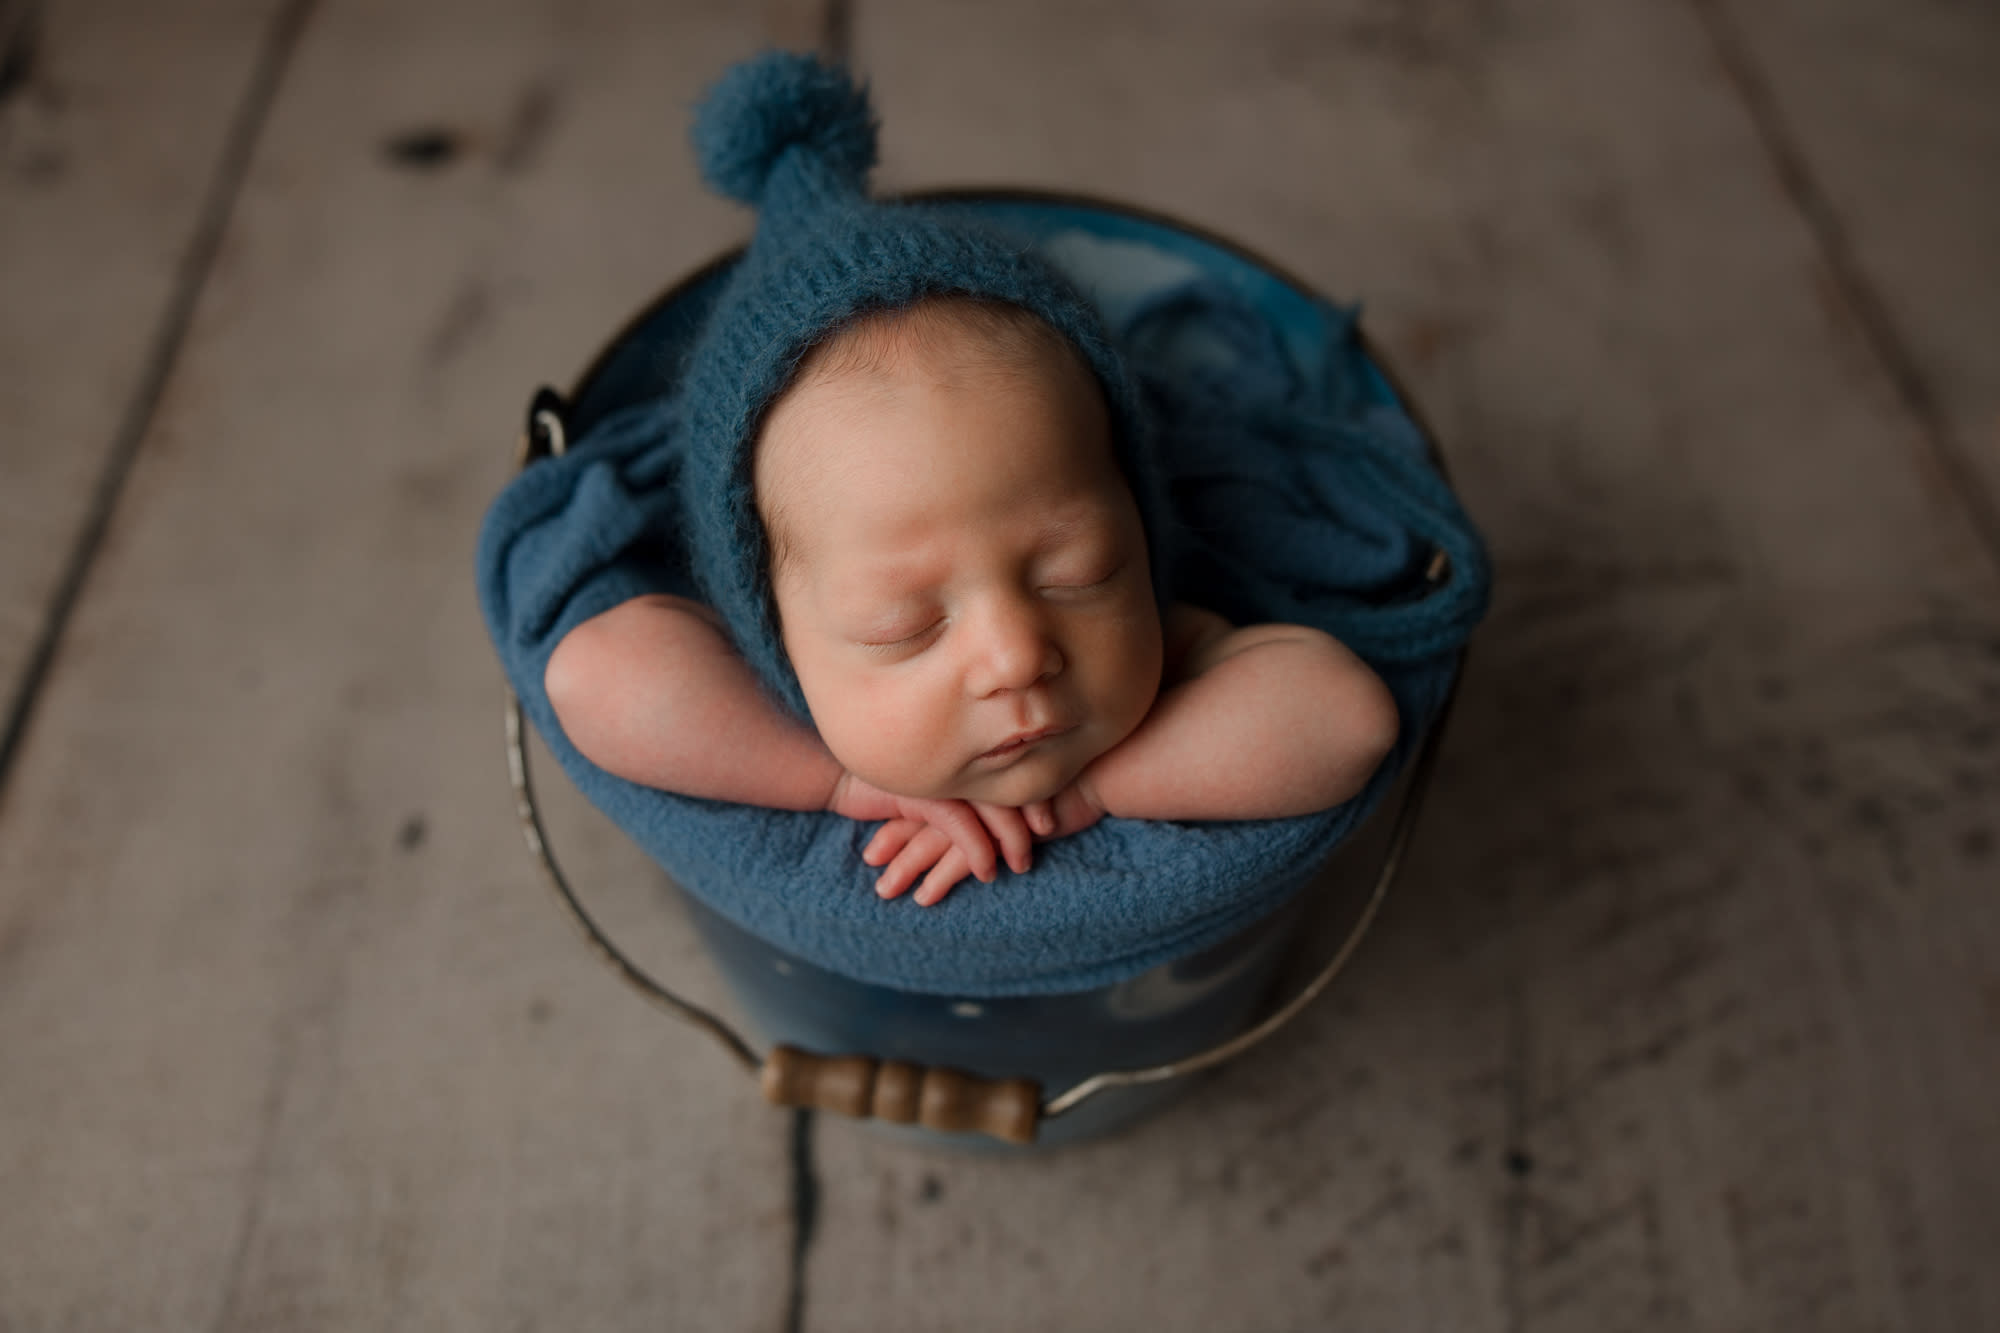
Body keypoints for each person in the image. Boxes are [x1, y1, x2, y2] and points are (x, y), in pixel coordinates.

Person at [545, 292, 1399, 906]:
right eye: (906, 624)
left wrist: (1092, 791)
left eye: (1079, 572)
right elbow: (590, 674)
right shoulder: (775, 691)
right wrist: (838, 782)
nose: (1017, 654)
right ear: (775, 632)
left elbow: (1348, 717)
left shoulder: (1170, 646)